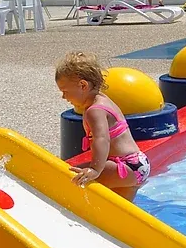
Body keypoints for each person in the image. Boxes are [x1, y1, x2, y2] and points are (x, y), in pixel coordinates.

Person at [56, 52, 150, 201]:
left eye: (65, 91)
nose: (63, 97)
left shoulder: (95, 111)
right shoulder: (103, 99)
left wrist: (95, 169)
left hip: (125, 165)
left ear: (83, 85)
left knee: (69, 175)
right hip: (136, 165)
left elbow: (102, 139)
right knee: (119, 211)